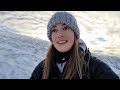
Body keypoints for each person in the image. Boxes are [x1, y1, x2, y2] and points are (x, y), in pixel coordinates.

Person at [30, 11, 119, 79]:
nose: (60, 34)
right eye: (54, 30)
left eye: (65, 28)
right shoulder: (43, 68)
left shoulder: (93, 66)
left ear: (75, 34)